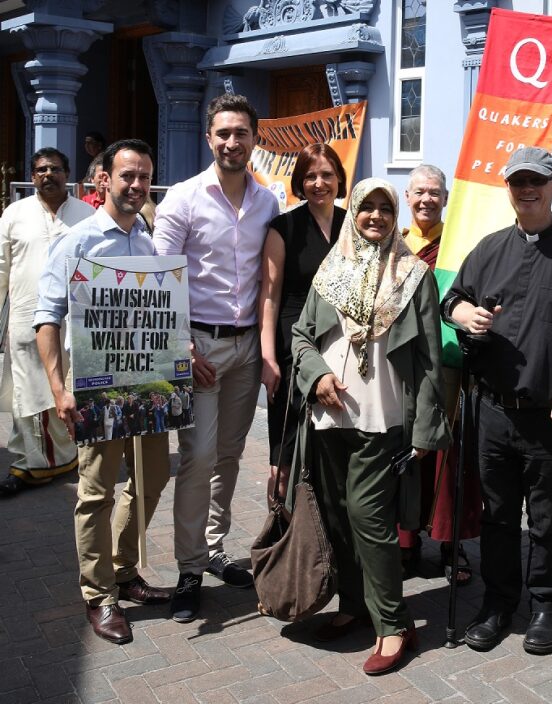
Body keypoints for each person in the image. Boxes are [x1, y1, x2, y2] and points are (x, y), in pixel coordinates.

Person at [441, 147, 552, 655]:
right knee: (497, 515)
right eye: (518, 182)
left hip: (550, 415)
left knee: (547, 519)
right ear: (509, 188)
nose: (527, 190)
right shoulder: (488, 248)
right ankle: (498, 603)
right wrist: (466, 316)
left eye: (536, 181)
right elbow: (450, 300)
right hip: (492, 410)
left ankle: (547, 604)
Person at [292, 177, 450, 675]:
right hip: (329, 417)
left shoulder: (412, 276)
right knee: (338, 514)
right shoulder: (331, 270)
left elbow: (428, 359)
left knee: (368, 517)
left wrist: (425, 430)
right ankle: (355, 606)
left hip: (382, 419)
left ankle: (393, 624)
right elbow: (301, 336)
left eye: (385, 208)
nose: (376, 216)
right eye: (367, 208)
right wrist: (315, 376)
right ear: (354, 214)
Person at [33, 138, 172, 645]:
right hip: (94, 385)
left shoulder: (149, 240)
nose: (136, 186)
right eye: (127, 176)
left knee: (151, 479)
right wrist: (58, 388)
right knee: (95, 491)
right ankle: (99, 595)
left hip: (148, 383)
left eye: (144, 178)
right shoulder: (78, 241)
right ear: (103, 181)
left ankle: (125, 571)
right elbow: (46, 317)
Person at [153, 93, 279, 621]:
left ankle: (213, 548)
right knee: (199, 456)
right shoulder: (182, 198)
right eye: (223, 133)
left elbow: (270, 280)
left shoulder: (268, 202)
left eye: (241, 133)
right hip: (197, 346)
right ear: (210, 139)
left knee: (229, 454)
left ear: (255, 138)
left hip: (246, 347)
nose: (232, 142)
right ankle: (187, 568)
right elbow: (160, 277)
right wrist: (181, 344)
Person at [398, 164, 482, 584]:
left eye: (435, 192)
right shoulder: (394, 243)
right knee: (407, 453)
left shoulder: (458, 246)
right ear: (407, 197)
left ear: (446, 198)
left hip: (448, 363)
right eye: (419, 192)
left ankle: (452, 544)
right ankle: (406, 542)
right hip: (403, 366)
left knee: (450, 455)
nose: (427, 199)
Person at [0, 147, 94, 497]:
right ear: (32, 175)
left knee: (65, 391)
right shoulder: (15, 214)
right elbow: (1, 268)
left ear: (67, 173)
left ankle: (60, 458)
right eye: (40, 169)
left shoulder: (86, 216)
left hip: (73, 324)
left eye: (55, 168)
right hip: (25, 320)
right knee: (27, 394)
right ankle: (31, 462)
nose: (48, 175)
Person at [259, 143, 346, 495]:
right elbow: (269, 298)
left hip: (340, 343)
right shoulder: (284, 228)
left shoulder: (352, 225)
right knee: (286, 447)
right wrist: (267, 360)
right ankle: (280, 535)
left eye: (327, 174)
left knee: (331, 442)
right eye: (310, 176)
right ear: (300, 181)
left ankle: (323, 539)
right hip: (292, 343)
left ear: (339, 179)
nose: (319, 183)